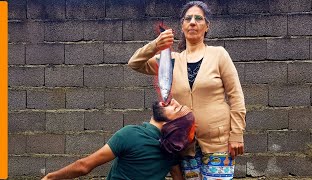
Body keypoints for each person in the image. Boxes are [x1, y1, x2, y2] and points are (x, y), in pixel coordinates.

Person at [128, 1, 246, 179]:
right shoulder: (170, 60)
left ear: (207, 26)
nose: (193, 22)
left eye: (199, 18)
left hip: (218, 143)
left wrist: (236, 134)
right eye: (188, 18)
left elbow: (236, 96)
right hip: (184, 143)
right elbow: (135, 63)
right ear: (182, 26)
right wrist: (156, 45)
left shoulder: (219, 54)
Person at [42, 99, 196, 180]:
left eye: (175, 108)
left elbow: (84, 166)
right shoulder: (171, 151)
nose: (173, 101)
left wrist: (51, 177)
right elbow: (177, 176)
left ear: (169, 124)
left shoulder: (130, 134)